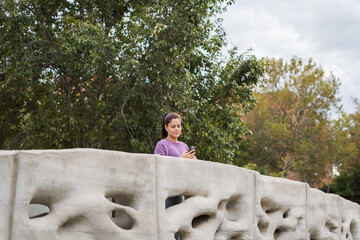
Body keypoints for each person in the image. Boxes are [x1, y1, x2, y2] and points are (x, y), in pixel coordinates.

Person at [154, 112, 196, 240]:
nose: (177, 129)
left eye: (179, 126)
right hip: (165, 191)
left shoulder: (184, 146)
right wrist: (180, 159)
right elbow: (159, 167)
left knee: (178, 226)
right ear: (166, 127)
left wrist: (193, 160)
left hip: (180, 191)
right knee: (166, 225)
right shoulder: (162, 145)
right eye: (173, 126)